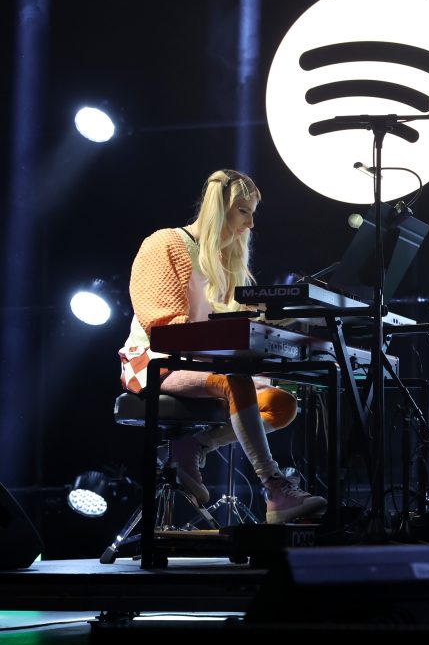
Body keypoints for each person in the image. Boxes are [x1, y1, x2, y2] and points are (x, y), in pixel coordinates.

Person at [118, 169, 327, 524]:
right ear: (221, 207)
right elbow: (161, 325)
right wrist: (232, 332)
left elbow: (232, 328)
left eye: (252, 213)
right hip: (153, 361)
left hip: (205, 364)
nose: (250, 223)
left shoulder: (225, 264)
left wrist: (282, 322)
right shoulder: (164, 243)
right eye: (243, 210)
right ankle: (275, 488)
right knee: (236, 379)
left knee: (282, 403)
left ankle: (193, 447)